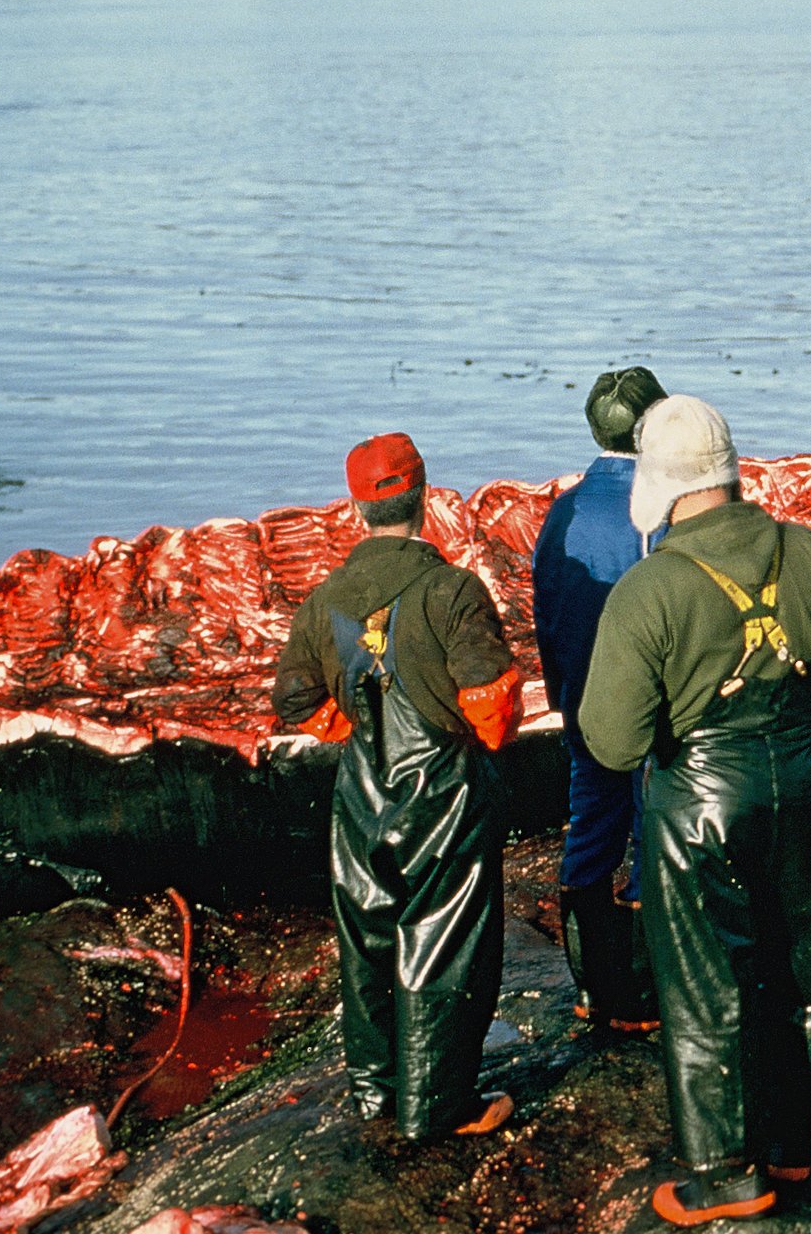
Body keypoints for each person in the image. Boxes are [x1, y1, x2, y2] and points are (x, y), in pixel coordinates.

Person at [580, 396, 811, 1226]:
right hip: (792, 785)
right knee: (796, 966)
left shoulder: (649, 589)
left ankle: (722, 1172)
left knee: (704, 982)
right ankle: (790, 1149)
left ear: (658, 484)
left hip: (696, 801)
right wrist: (797, 727)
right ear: (729, 468)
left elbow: (612, 744)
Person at [271, 432, 523, 1140]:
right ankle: (437, 1108)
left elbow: (293, 699)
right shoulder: (451, 589)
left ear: (356, 511)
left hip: (362, 792)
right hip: (441, 788)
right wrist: (471, 744)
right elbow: (492, 702)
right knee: (441, 944)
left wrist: (351, 726)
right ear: (425, 496)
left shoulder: (325, 599)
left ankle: (374, 1093)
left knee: (368, 938)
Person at [531, 366, 668, 1032]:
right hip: (646, 708)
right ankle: (638, 992)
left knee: (589, 832)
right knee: (649, 835)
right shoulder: (658, 510)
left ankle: (592, 986)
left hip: (582, 701)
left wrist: (562, 699)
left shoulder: (564, 509)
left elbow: (544, 613)